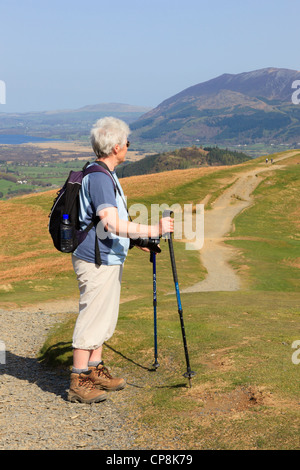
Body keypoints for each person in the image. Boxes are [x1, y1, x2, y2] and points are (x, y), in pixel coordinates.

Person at [67, 117, 174, 403]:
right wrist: (154, 230)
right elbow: (111, 223)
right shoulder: (101, 178)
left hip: (106, 256)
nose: (128, 147)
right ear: (116, 147)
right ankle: (78, 380)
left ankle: (94, 370)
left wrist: (138, 240)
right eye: (127, 143)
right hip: (96, 260)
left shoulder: (103, 172)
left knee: (103, 317)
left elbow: (110, 224)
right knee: (92, 317)